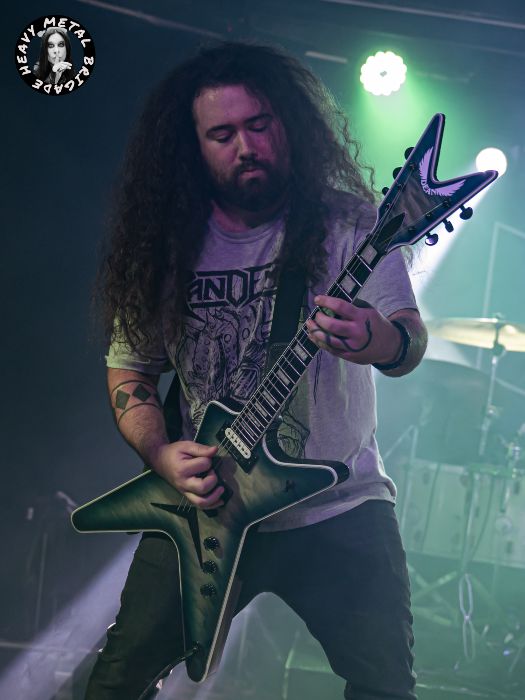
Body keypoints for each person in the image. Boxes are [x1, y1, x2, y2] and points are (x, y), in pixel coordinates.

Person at [86, 40, 427, 699]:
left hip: (338, 505)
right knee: (115, 683)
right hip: (203, 510)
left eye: (259, 124)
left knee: (385, 687)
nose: (245, 147)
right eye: (222, 135)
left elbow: (408, 341)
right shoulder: (165, 246)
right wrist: (160, 453)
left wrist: (375, 338)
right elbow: (129, 372)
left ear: (289, 124)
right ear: (193, 148)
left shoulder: (352, 225)